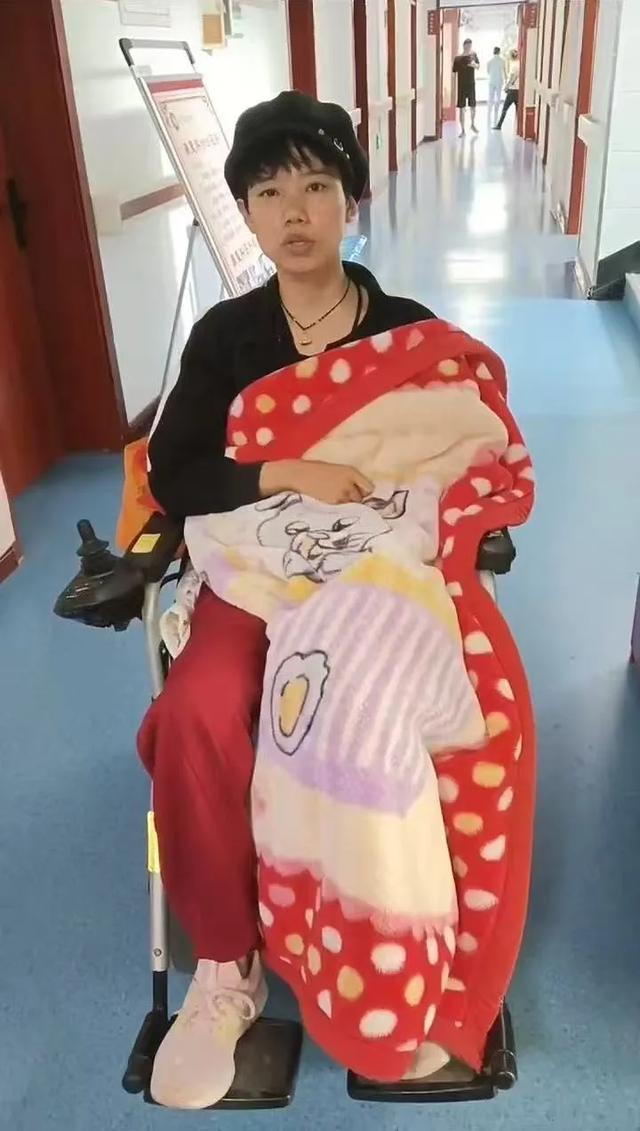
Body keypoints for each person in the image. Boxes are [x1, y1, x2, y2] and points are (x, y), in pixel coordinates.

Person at [137, 90, 436, 1111]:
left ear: (351, 199)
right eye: (269, 193)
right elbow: (177, 471)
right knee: (197, 710)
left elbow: (454, 455)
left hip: (371, 583)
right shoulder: (226, 337)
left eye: (316, 185)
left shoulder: (407, 334)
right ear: (247, 214)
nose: (295, 211)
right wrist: (283, 473)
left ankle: (396, 944)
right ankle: (228, 965)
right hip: (255, 573)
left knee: (377, 713)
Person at [452, 38, 480, 137]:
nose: (468, 47)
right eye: (467, 45)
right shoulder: (458, 58)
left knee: (473, 106)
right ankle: (463, 130)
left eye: (470, 46)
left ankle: (472, 124)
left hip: (471, 84)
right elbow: (454, 74)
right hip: (461, 86)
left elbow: (478, 66)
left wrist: (474, 65)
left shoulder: (473, 55)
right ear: (464, 46)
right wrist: (453, 89)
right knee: (462, 108)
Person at [493, 47, 520, 130]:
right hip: (518, 90)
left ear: (511, 56)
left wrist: (506, 87)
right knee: (518, 109)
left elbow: (512, 77)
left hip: (512, 90)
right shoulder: (519, 63)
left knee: (505, 108)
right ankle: (519, 127)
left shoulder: (514, 65)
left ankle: (499, 125)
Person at [487, 46, 506, 124]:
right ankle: (496, 111)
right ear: (499, 52)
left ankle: (489, 111)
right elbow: (504, 72)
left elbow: (488, 72)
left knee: (490, 96)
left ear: (493, 52)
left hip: (491, 81)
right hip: (499, 81)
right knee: (498, 96)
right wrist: (505, 80)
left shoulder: (489, 61)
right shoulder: (502, 61)